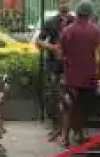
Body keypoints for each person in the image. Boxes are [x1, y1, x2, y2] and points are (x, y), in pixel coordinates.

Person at [59, 1, 100, 145]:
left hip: (70, 77)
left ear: (77, 13)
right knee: (83, 108)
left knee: (69, 107)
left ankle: (65, 137)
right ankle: (79, 135)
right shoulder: (96, 31)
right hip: (88, 78)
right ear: (90, 14)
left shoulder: (66, 31)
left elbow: (61, 54)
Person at [36, 1, 74, 135]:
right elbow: (38, 41)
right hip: (53, 64)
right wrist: (52, 47)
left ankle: (68, 126)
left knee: (69, 96)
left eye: (67, 1)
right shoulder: (50, 22)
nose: (64, 4)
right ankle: (55, 125)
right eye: (62, 1)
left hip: (70, 65)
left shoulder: (75, 21)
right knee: (53, 94)